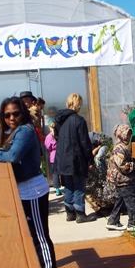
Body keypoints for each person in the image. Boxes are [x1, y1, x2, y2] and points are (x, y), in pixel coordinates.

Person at [0, 97, 62, 268]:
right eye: (7, 115)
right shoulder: (13, 132)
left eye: (16, 113)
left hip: (33, 192)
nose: (12, 118)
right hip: (23, 191)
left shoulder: (25, 131)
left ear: (23, 113)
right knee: (31, 238)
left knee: (40, 238)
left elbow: (13, 156)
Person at [54, 93, 96, 223]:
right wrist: (90, 160)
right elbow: (85, 143)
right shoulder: (79, 120)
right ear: (78, 104)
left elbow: (57, 138)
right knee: (78, 186)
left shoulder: (59, 120)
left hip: (62, 158)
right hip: (76, 159)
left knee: (68, 186)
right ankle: (80, 214)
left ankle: (70, 213)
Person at [105, 124, 135, 230]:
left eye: (129, 134)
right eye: (126, 134)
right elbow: (122, 165)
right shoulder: (119, 148)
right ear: (120, 135)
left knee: (120, 200)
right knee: (131, 201)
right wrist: (134, 166)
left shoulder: (123, 146)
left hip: (120, 179)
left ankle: (113, 221)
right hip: (123, 179)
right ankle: (134, 223)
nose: (128, 136)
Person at [44, 124, 62, 196]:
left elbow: (48, 147)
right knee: (63, 172)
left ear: (50, 128)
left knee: (55, 173)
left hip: (53, 156)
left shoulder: (49, 136)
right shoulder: (60, 134)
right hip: (61, 155)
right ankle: (67, 187)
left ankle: (57, 190)